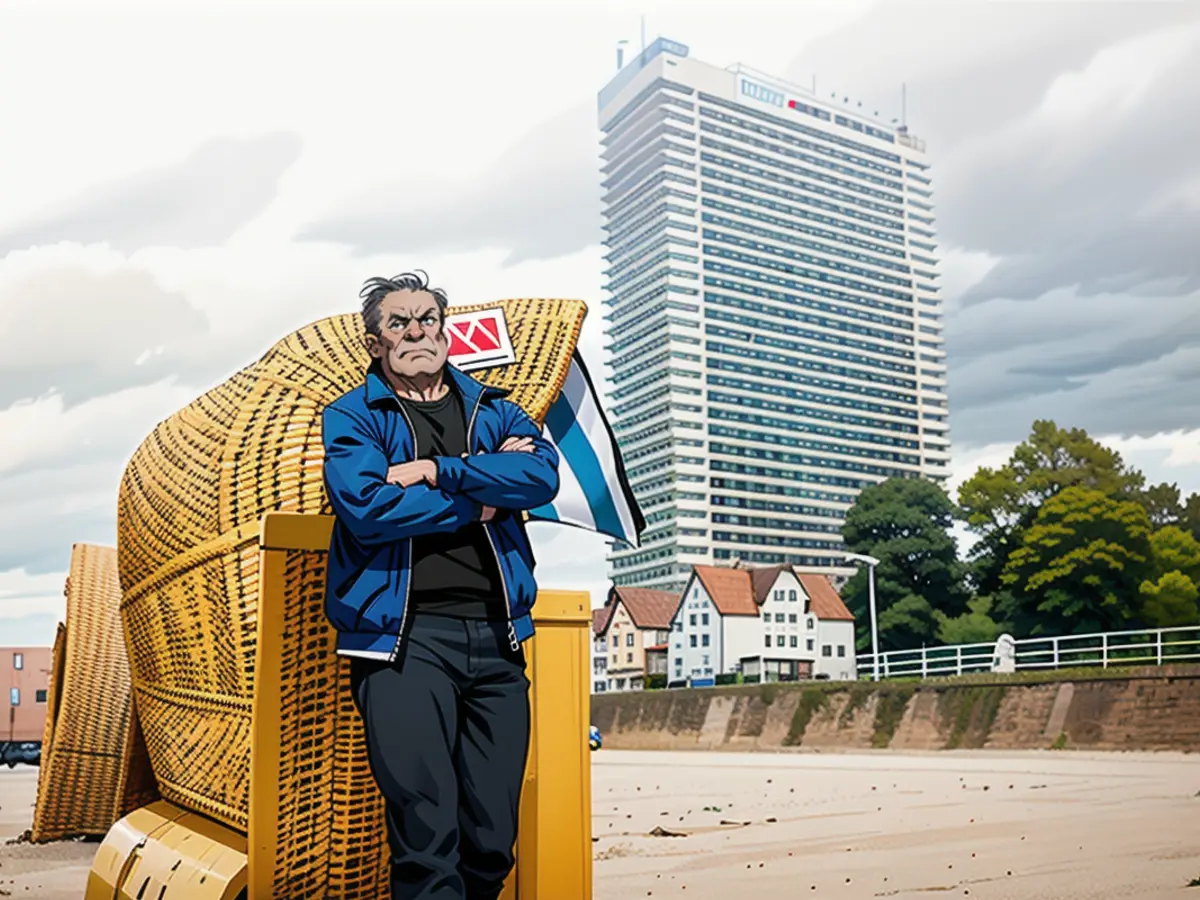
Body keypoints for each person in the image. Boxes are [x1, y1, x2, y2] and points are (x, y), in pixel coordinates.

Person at [321, 271, 560, 900]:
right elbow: (367, 510)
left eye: (427, 318)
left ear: (445, 332)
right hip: (405, 644)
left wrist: (437, 470)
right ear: (375, 342)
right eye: (398, 323)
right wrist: (481, 500)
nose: (416, 332)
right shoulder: (353, 416)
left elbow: (538, 478)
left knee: (491, 838)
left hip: (499, 638)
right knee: (427, 843)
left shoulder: (496, 408)